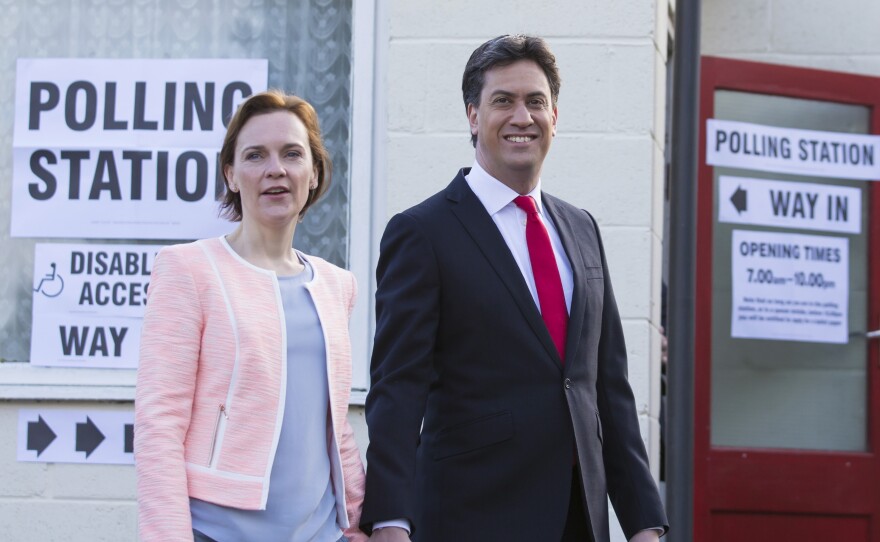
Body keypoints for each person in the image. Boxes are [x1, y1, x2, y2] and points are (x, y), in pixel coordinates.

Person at [360, 35, 668, 542]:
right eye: (503, 101)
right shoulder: (423, 232)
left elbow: (606, 391)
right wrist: (390, 519)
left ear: (555, 116)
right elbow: (397, 388)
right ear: (473, 116)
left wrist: (644, 523)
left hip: (578, 519)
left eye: (535, 101)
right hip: (471, 513)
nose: (522, 116)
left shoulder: (582, 228)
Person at [135, 90, 367, 542]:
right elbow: (159, 423)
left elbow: (333, 423)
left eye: (292, 154)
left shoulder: (337, 285)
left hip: (321, 534)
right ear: (232, 174)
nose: (275, 169)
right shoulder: (189, 270)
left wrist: (357, 523)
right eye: (255, 155)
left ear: (314, 172)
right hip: (218, 532)